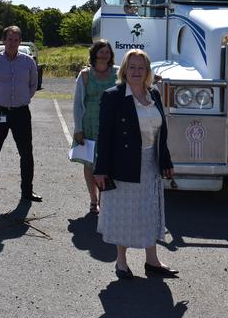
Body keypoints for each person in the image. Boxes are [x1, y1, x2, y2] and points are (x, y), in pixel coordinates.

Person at [93, 49, 178, 279]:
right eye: (132, 67)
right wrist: (100, 169)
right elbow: (105, 135)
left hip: (151, 162)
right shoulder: (113, 96)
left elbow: (162, 132)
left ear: (148, 71)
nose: (136, 72)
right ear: (124, 70)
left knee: (150, 211)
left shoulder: (154, 94)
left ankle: (152, 261)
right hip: (123, 164)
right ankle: (121, 262)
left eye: (141, 67)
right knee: (124, 213)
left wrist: (166, 159)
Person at [0, 26, 41, 206]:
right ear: (3, 41)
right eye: (9, 39)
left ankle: (27, 192)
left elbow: (33, 84)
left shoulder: (28, 62)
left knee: (26, 153)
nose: (12, 43)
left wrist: (24, 99)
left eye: (16, 40)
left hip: (21, 113)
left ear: (20, 42)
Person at [72, 39, 117, 215]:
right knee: (90, 163)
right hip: (89, 123)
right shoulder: (85, 75)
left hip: (111, 124)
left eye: (107, 51)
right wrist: (78, 129)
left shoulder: (118, 72)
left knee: (109, 162)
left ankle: (106, 199)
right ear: (94, 53)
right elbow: (77, 104)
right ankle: (93, 200)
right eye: (101, 51)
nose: (104, 54)